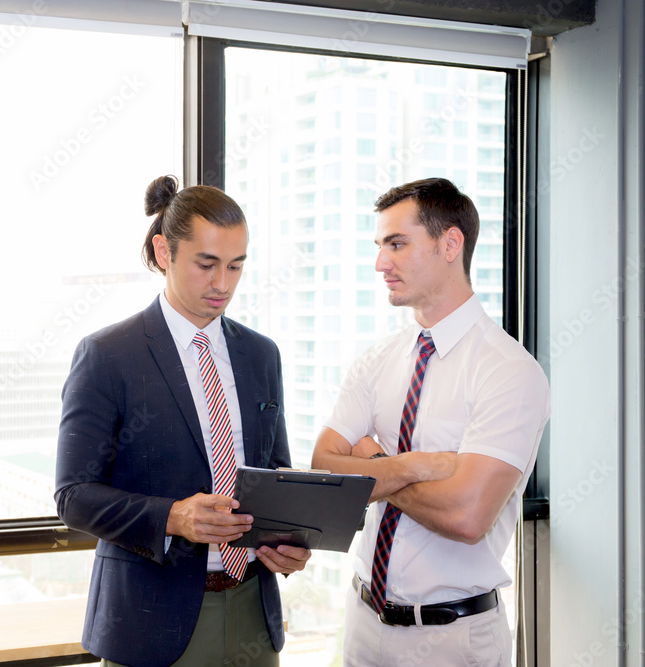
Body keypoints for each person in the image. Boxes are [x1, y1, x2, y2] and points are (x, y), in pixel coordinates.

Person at [55, 175, 310, 667]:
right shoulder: (108, 355)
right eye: (207, 264)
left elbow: (275, 474)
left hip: (252, 612)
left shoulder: (261, 355)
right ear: (163, 252)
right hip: (151, 621)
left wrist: (290, 543)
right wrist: (174, 517)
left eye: (236, 266)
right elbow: (73, 495)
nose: (223, 284)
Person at [312, 178, 549, 666]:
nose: (381, 263)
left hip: (451, 640)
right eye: (380, 246)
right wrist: (416, 466)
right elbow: (323, 472)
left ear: (450, 244)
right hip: (362, 625)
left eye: (397, 244)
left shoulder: (509, 371)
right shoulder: (377, 361)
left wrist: (374, 463)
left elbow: (467, 516)